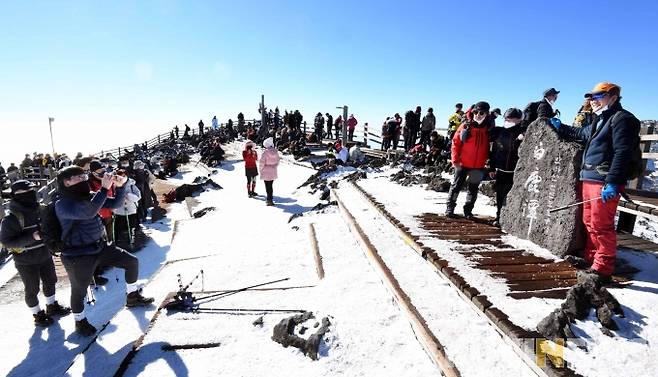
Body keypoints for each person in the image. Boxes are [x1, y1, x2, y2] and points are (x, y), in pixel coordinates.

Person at [549, 82, 640, 284]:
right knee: (589, 221)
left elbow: (622, 152)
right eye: (591, 97)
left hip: (603, 180)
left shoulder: (623, 119)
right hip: (589, 178)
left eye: (598, 97)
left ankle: (603, 267)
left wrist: (614, 182)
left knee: (602, 225)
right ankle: (591, 257)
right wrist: (560, 127)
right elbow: (581, 134)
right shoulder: (601, 119)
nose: (593, 101)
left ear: (613, 97)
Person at [55, 166, 154, 336]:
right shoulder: (62, 204)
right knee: (79, 290)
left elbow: (115, 203)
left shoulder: (90, 196)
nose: (83, 178)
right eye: (78, 177)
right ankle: (80, 321)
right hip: (76, 255)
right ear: (66, 182)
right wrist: (104, 188)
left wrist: (121, 186)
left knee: (131, 262)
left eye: (83, 175)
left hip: (98, 247)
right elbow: (88, 212)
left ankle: (132, 296)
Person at [0, 180, 71, 327]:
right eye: (22, 193)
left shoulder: (41, 209)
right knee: (32, 288)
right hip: (25, 261)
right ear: (14, 196)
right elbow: (6, 242)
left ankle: (51, 305)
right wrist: (31, 237)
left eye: (30, 191)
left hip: (45, 254)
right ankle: (37, 314)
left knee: (51, 281)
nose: (27, 194)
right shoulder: (11, 219)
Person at [446, 101, 492, 218]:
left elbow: (491, 147)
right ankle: (450, 209)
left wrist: (488, 162)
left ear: (486, 114)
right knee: (456, 187)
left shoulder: (489, 129)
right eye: (475, 112)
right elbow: (455, 143)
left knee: (473, 189)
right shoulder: (465, 126)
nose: (478, 115)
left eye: (481, 113)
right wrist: (455, 160)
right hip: (462, 163)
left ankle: (468, 211)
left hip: (478, 165)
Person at [489, 108, 524, 226]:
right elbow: (493, 151)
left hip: (515, 172)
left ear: (519, 120)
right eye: (507, 119)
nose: (508, 121)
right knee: (499, 195)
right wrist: (492, 168)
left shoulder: (523, 132)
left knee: (512, 196)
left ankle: (510, 220)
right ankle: (499, 217)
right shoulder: (499, 131)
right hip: (500, 170)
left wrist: (523, 136)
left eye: (512, 119)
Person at [112, 169, 141, 250]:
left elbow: (138, 196)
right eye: (120, 175)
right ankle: (117, 243)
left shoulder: (132, 184)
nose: (122, 177)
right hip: (118, 210)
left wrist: (129, 196)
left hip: (131, 209)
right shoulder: (114, 185)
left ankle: (130, 242)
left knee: (131, 226)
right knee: (117, 227)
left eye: (124, 175)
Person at [259, 137, 280, 206]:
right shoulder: (276, 152)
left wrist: (261, 169)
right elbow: (278, 161)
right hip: (273, 170)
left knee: (267, 186)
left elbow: (261, 162)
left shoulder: (265, 153)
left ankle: (269, 200)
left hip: (266, 170)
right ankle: (270, 198)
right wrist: (274, 166)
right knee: (270, 185)